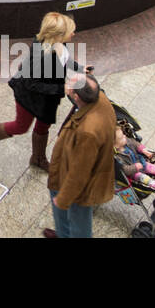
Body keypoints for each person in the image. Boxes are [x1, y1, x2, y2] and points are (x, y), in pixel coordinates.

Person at [0, 12, 81, 169]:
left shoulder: (60, 44)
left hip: (48, 97)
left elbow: (65, 59)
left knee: (44, 124)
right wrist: (62, 88)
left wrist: (80, 68)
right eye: (70, 31)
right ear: (58, 35)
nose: (74, 33)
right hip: (29, 96)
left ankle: (38, 158)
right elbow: (31, 83)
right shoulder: (41, 56)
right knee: (21, 126)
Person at [43, 70, 116, 238]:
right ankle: (63, 233)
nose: (67, 84)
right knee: (66, 217)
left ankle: (66, 233)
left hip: (79, 187)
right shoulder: (99, 98)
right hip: (71, 172)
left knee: (79, 223)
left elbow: (79, 173)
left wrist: (63, 199)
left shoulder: (88, 132)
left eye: (70, 85)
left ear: (76, 97)